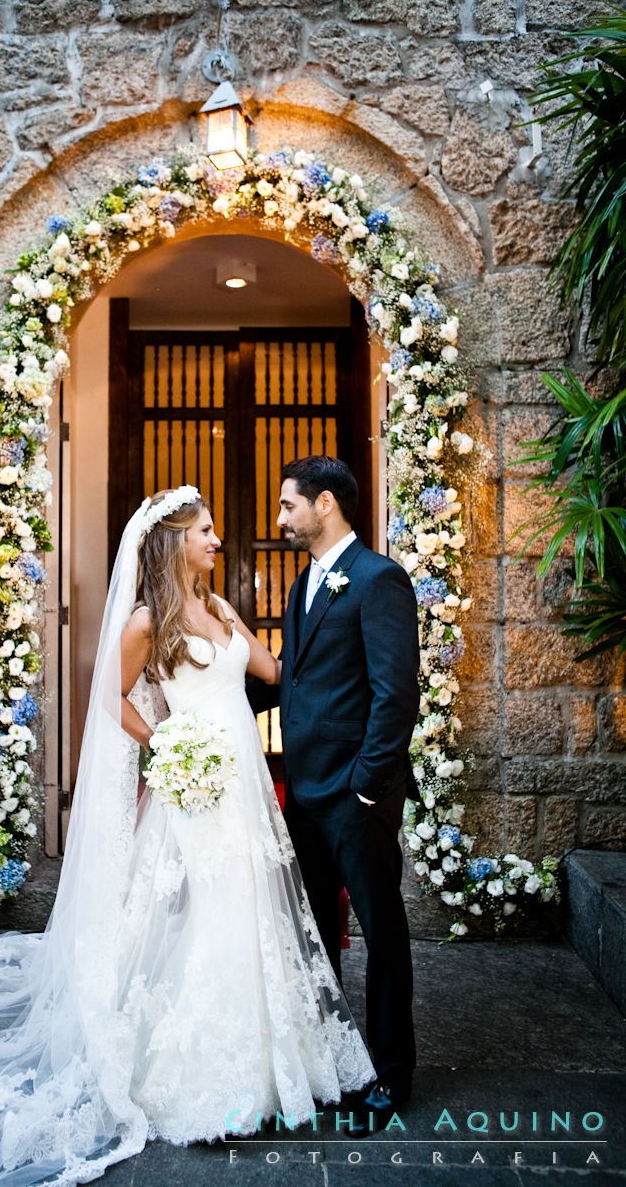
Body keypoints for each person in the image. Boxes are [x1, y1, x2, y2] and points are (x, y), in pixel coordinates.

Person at [0, 485, 375, 1187]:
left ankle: (271, 1060)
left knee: (254, 908)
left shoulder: (218, 607)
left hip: (244, 790)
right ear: (175, 542)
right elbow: (110, 701)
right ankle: (201, 1070)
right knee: (212, 912)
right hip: (195, 786)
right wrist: (166, 744)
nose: (217, 541)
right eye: (205, 531)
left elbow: (272, 673)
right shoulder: (148, 623)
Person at [269, 456, 420, 1121]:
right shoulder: (307, 585)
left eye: (288, 506)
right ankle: (334, 1056)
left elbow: (396, 695)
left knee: (381, 933)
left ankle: (391, 1073)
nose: (281, 519)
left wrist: (366, 788)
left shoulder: (377, 579)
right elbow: (291, 680)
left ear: (324, 504)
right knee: (316, 935)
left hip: (356, 798)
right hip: (305, 792)